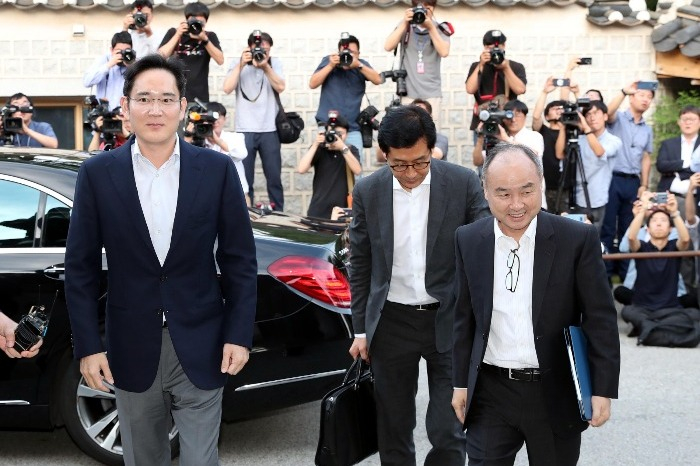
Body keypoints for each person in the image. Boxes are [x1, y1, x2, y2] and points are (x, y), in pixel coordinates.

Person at [64, 54, 257, 466]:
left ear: (184, 108)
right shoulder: (98, 174)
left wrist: (239, 334)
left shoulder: (218, 170)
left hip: (203, 343)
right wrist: (88, 347)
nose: (156, 110)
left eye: (167, 99)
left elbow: (239, 260)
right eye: (145, 98)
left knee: (200, 460)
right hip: (130, 345)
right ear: (126, 107)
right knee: (143, 459)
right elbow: (79, 267)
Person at [451, 143, 621, 466]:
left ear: (541, 184)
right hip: (490, 391)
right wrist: (460, 383)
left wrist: (602, 388)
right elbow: (463, 318)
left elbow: (600, 317)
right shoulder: (468, 239)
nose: (517, 205)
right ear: (485, 191)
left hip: (554, 390)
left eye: (527, 191)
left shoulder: (576, 239)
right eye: (503, 194)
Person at [349, 105, 489, 466]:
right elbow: (361, 263)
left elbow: (485, 250)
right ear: (384, 154)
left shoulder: (462, 183)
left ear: (431, 149)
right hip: (391, 322)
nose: (410, 173)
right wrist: (361, 329)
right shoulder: (369, 190)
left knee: (448, 426)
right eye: (398, 164)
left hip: (448, 318)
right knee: (393, 425)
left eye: (419, 162)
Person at [223, 31, 285, 211]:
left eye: (264, 48)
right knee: (245, 179)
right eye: (257, 47)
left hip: (270, 129)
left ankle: (279, 213)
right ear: (249, 47)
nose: (260, 51)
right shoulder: (239, 63)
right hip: (245, 129)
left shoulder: (274, 63)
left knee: (274, 178)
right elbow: (227, 88)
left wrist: (265, 66)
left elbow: (280, 87)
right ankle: (246, 215)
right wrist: (241, 64)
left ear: (269, 50)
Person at [601, 81, 654, 281]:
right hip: (612, 179)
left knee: (629, 228)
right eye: (641, 95)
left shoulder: (647, 129)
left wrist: (644, 184)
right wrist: (623, 91)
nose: (645, 99)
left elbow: (646, 157)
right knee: (607, 228)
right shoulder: (618, 119)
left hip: (633, 182)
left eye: (649, 97)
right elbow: (608, 111)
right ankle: (605, 276)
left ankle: (625, 276)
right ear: (632, 97)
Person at [620, 192, 691, 336]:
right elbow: (632, 238)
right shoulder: (642, 247)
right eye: (654, 221)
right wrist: (642, 211)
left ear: (671, 229)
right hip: (642, 307)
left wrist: (674, 212)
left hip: (669, 307)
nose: (658, 223)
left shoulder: (673, 247)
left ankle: (648, 327)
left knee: (692, 315)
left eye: (663, 220)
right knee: (627, 312)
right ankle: (658, 327)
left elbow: (684, 240)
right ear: (647, 228)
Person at [309, 33, 382, 156]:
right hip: (328, 126)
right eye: (345, 51)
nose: (348, 55)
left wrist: (358, 65)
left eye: (352, 52)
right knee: (328, 167)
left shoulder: (361, 65)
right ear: (339, 52)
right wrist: (331, 65)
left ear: (358, 54)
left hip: (352, 129)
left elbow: (377, 80)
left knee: (356, 170)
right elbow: (312, 83)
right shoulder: (329, 61)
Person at [555, 100, 622, 229]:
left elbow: (599, 152)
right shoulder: (579, 139)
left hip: (594, 198)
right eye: (588, 114)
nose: (592, 117)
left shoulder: (614, 141)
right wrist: (563, 128)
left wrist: (586, 129)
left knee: (591, 239)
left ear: (605, 116)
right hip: (573, 197)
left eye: (596, 113)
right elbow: (559, 154)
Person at [384, 0, 451, 129]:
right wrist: (404, 22)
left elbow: (444, 52)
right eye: (420, 7)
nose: (424, 11)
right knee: (408, 135)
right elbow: (388, 46)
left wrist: (431, 27)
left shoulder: (441, 28)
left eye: (428, 7)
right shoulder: (406, 26)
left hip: (432, 93)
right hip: (408, 93)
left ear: (434, 8)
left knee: (431, 135)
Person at [183, 101, 250, 205]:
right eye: (211, 118)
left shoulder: (235, 137)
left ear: (225, 119)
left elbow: (241, 154)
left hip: (237, 194)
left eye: (219, 117)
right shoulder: (199, 142)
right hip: (210, 198)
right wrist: (188, 136)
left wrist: (216, 140)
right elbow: (182, 161)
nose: (215, 121)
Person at [297, 114, 361, 218]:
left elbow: (357, 170)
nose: (336, 137)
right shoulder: (320, 150)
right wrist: (315, 144)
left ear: (347, 135)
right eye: (333, 133)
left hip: (342, 211)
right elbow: (301, 169)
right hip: (318, 210)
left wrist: (342, 148)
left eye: (340, 134)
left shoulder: (350, 150)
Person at [158, 1, 223, 103]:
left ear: (205, 22)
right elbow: (160, 56)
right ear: (186, 20)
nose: (196, 26)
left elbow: (220, 60)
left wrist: (205, 39)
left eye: (200, 23)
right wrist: (178, 34)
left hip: (200, 96)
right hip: (175, 95)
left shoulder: (209, 36)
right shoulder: (174, 33)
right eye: (193, 21)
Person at [465, 30, 526, 138]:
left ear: (504, 46)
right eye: (490, 48)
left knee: (508, 154)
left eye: (497, 48)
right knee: (482, 154)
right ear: (484, 48)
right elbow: (470, 89)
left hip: (508, 122)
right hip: (483, 121)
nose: (494, 52)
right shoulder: (477, 66)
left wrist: (506, 68)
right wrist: (481, 65)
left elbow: (520, 90)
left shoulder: (515, 66)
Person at [656, 105, 700, 215]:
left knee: (693, 230)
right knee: (663, 227)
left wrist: (676, 170)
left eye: (692, 119)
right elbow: (661, 166)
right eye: (684, 119)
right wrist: (687, 164)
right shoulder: (668, 144)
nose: (688, 123)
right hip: (668, 195)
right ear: (678, 122)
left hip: (696, 197)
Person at [531, 77, 566, 212]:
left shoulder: (570, 131)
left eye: (561, 108)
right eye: (554, 108)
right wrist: (545, 93)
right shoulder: (543, 131)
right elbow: (535, 117)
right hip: (546, 186)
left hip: (566, 188)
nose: (559, 110)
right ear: (547, 116)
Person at [83, 32, 135, 111]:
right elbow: (87, 82)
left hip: (125, 115)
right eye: (119, 51)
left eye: (126, 51)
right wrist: (109, 65)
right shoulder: (104, 60)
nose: (122, 55)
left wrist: (131, 67)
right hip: (105, 115)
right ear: (111, 50)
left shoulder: (134, 64)